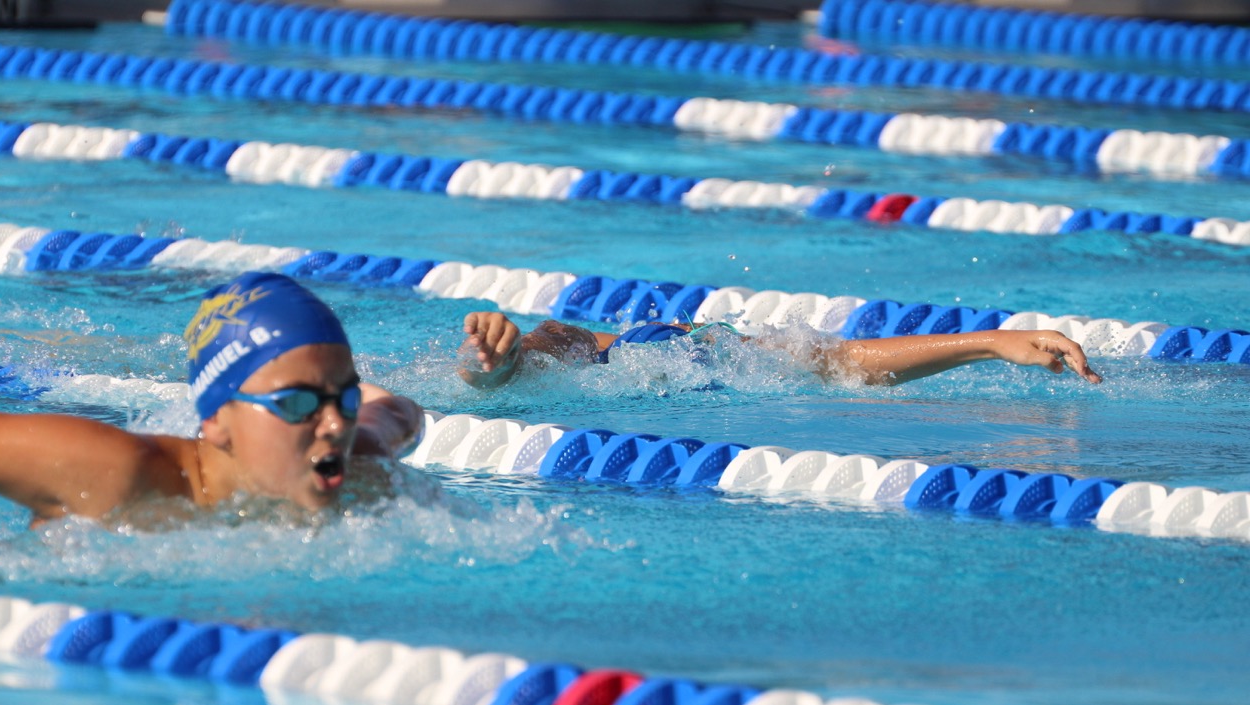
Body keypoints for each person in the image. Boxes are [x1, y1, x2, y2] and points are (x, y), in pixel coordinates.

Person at [0, 273, 423, 525]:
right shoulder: (121, 474)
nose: (336, 425)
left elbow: (398, 412)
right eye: (298, 404)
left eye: (344, 400)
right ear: (217, 420)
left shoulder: (364, 468)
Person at [457, 311, 1103, 388]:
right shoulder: (571, 341)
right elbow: (526, 357)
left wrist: (992, 343)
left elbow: (847, 361)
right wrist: (498, 360)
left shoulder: (722, 347)